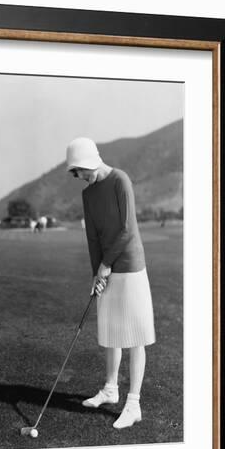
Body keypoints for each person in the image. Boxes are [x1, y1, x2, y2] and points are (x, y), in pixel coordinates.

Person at [66, 137, 156, 429]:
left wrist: (107, 264)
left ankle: (133, 404)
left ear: (90, 161)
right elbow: (93, 237)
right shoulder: (88, 195)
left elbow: (128, 230)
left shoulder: (120, 180)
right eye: (76, 173)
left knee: (134, 336)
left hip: (129, 266)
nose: (80, 177)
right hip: (106, 268)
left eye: (80, 170)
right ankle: (110, 389)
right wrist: (97, 273)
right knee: (112, 331)